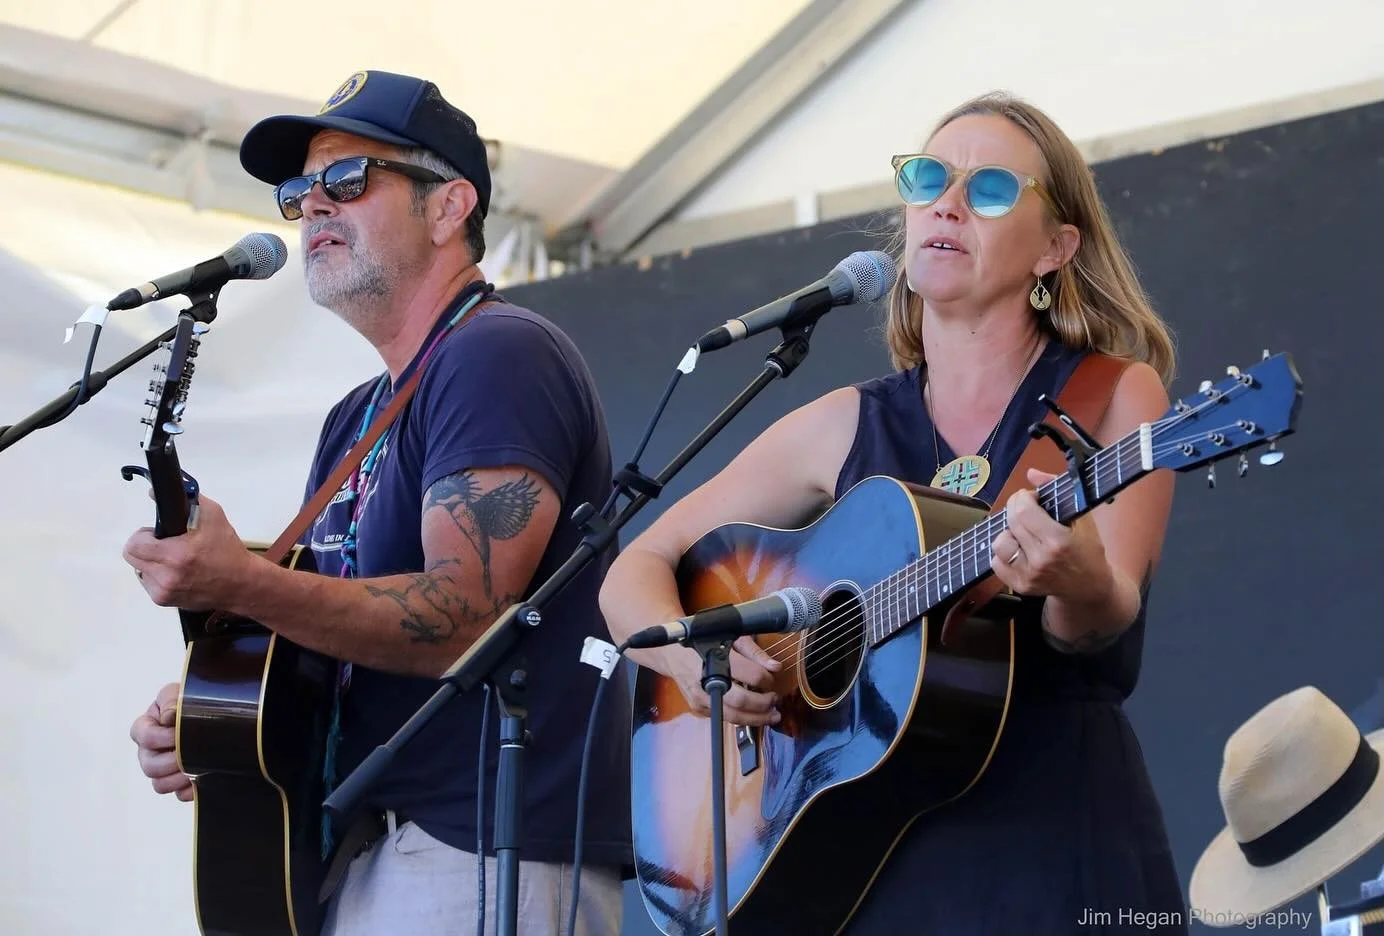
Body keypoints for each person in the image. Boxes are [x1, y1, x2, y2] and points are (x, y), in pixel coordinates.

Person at [598, 90, 1187, 934]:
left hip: (1055, 843)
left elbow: (1099, 620)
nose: (947, 204)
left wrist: (1078, 577)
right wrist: (694, 664)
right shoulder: (845, 422)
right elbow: (634, 569)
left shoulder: (1112, 394)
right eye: (928, 179)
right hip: (868, 860)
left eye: (990, 190)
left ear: (1056, 248)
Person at [124, 70, 631, 936]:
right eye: (300, 192)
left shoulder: (497, 354)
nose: (314, 204)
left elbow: (465, 617)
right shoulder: (354, 418)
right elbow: (332, 648)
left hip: (477, 850)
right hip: (370, 855)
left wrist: (241, 582)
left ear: (449, 207)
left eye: (349, 178)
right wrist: (220, 718)